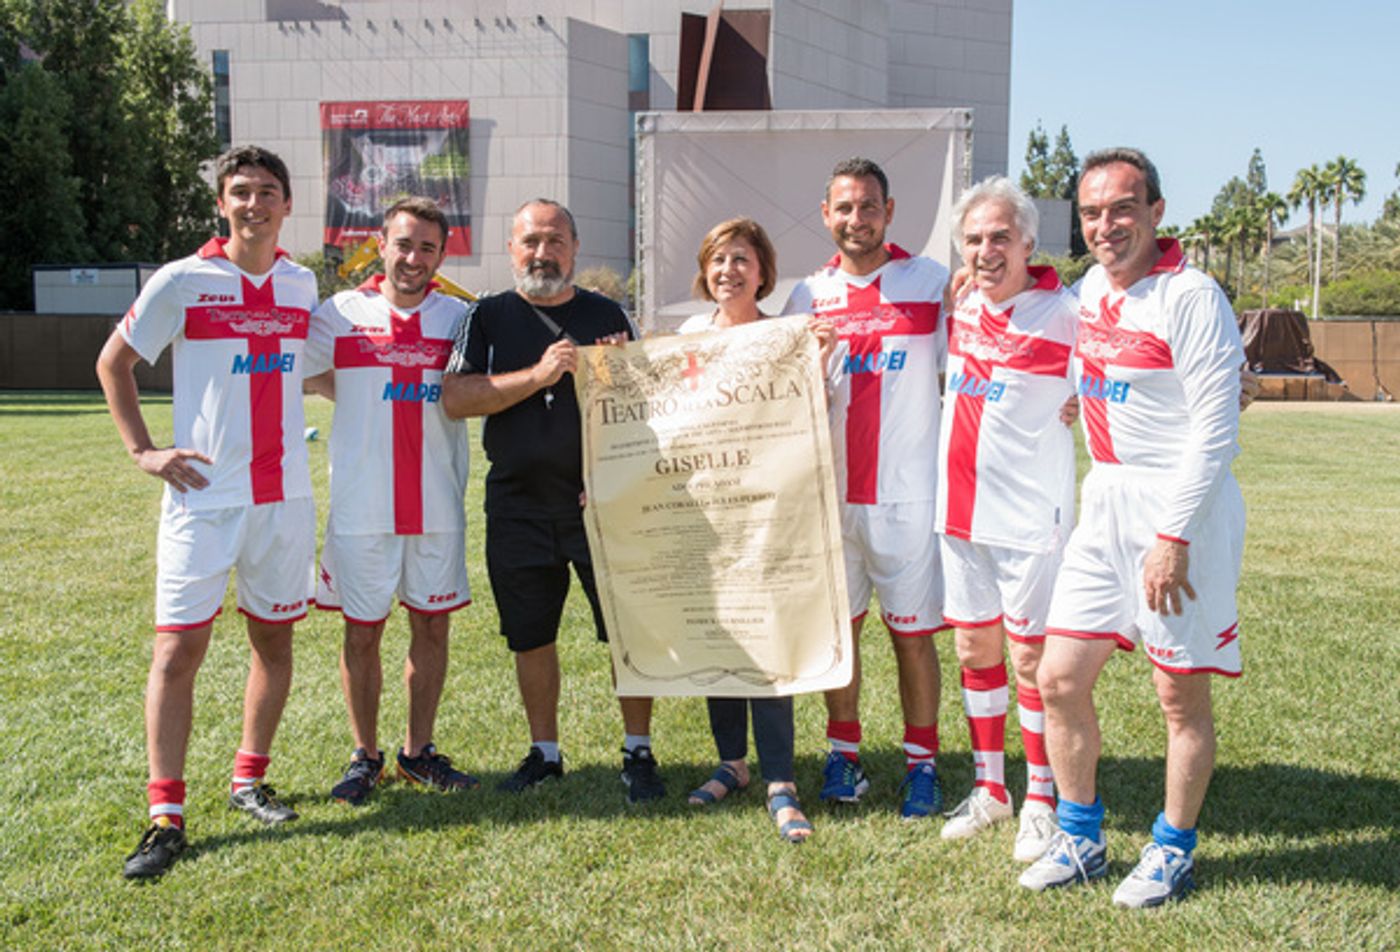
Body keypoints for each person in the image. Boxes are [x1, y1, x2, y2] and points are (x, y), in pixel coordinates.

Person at [1018, 148, 1246, 908]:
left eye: (1122, 208)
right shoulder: (1088, 290)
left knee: (1178, 698)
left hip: (1179, 509)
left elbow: (1216, 426)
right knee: (1058, 678)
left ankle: (1173, 848)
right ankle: (1081, 836)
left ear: (1155, 211)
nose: (1106, 224)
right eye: (1091, 213)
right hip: (1104, 503)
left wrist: (1174, 536)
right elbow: (1048, 308)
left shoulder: (1191, 294)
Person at [96, 146, 319, 879]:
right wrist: (142, 451)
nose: (254, 204)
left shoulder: (301, 282)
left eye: (267, 192)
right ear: (222, 205)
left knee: (274, 644)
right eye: (241, 192)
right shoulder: (184, 280)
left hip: (282, 500)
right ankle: (165, 816)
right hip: (204, 498)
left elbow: (320, 369)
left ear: (288, 204)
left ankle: (250, 780)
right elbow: (114, 362)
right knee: (175, 653)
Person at [441, 199, 664, 803]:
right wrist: (537, 377)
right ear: (511, 249)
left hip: (600, 503)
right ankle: (545, 752)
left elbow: (648, 410)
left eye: (555, 241)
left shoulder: (609, 315)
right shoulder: (484, 316)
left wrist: (624, 373)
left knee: (626, 630)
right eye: (531, 241)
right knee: (530, 634)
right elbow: (456, 398)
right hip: (516, 502)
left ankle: (637, 749)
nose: (543, 253)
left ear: (575, 246)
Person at [782, 157, 949, 818]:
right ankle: (844, 754)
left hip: (907, 497)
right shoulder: (807, 295)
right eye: (844, 208)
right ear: (826, 215)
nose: (857, 219)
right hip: (831, 498)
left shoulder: (931, 282)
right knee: (840, 634)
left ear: (890, 211)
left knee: (912, 636)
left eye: (869, 206)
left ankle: (923, 764)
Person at [303, 197, 476, 804]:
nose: (413, 257)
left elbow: (482, 387)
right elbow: (293, 370)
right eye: (404, 244)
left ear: (441, 254)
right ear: (381, 244)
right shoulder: (340, 313)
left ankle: (417, 752)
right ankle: (365, 755)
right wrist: (346, 392)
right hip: (361, 507)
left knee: (431, 626)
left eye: (427, 247)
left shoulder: (458, 317)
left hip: (435, 505)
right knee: (361, 633)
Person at [933, 177, 1077, 861]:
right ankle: (993, 790)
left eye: (1000, 237)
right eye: (974, 239)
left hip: (1029, 520)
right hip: (959, 516)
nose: (986, 250)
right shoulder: (961, 308)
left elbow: (1122, 374)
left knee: (1031, 659)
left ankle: (1044, 797)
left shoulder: (1065, 312)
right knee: (973, 652)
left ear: (1027, 242)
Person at [678, 217, 835, 843]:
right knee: (723, 637)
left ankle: (780, 781)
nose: (728, 272)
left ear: (763, 271)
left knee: (768, 638)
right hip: (708, 516)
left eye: (741, 260)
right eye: (717, 260)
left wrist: (817, 358)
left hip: (771, 510)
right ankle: (731, 764)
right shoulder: (687, 336)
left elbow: (812, 413)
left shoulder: (786, 336)